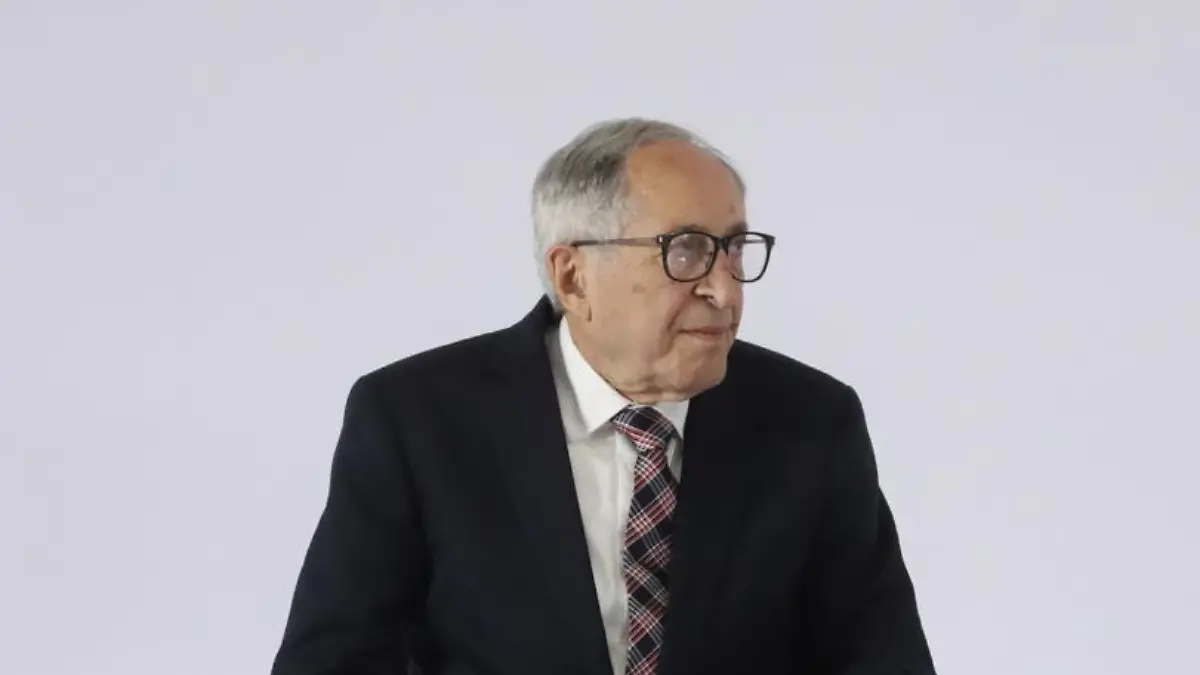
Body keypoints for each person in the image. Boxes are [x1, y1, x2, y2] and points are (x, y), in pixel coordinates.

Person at [270, 118, 936, 675]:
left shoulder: (811, 423)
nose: (725, 289)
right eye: (686, 251)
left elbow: (881, 660)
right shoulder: (419, 421)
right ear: (573, 276)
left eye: (734, 249)